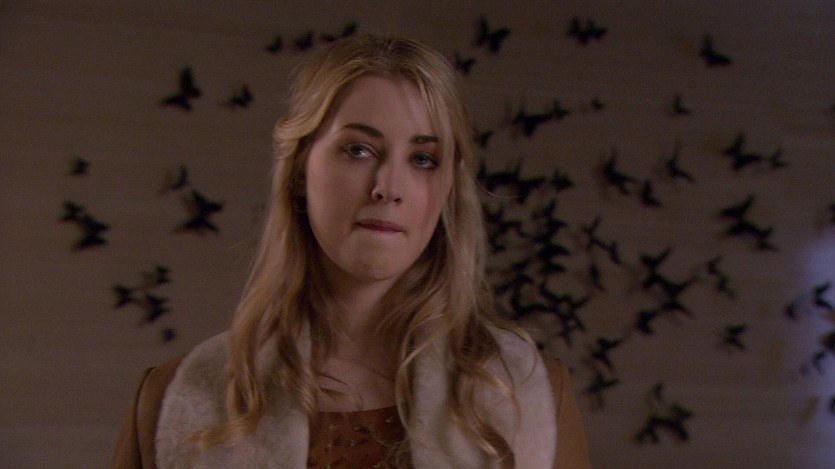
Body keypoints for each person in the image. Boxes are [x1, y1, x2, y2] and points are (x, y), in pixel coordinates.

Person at [112, 33, 591, 469]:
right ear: (300, 169)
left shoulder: (525, 397)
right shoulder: (178, 399)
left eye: (423, 159)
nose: (389, 187)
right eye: (358, 150)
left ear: (448, 187)